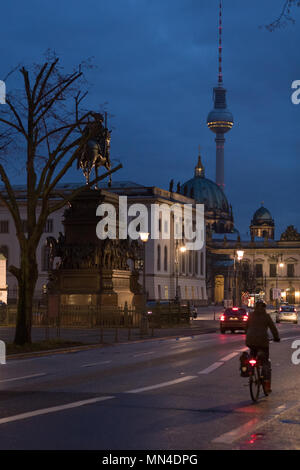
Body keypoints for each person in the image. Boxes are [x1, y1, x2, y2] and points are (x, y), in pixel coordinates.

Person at [245, 300, 280, 394]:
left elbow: (246, 327)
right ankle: (267, 385)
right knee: (266, 363)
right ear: (264, 307)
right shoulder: (266, 316)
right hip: (263, 342)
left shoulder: (251, 315)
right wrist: (276, 338)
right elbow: (273, 328)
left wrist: (247, 334)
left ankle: (251, 371)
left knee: (252, 354)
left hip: (250, 341)